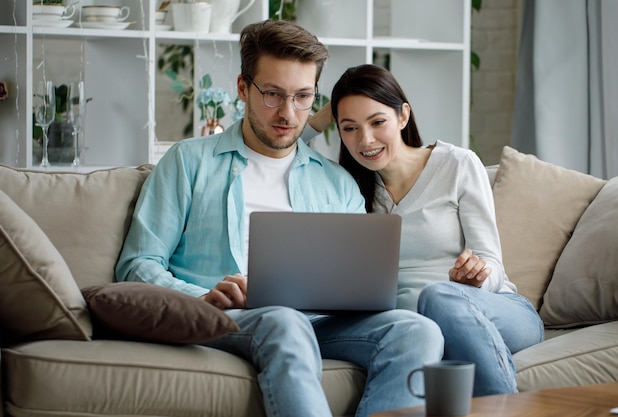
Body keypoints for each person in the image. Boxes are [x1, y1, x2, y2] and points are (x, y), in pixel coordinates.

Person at [116, 21, 444, 417]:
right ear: (243, 88)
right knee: (284, 321)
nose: (288, 114)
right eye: (272, 95)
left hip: (320, 322)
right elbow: (137, 265)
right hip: (226, 317)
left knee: (417, 331)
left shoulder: (336, 183)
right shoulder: (188, 162)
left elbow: (358, 280)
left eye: (303, 96)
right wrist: (201, 299)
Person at [322, 64, 544, 397]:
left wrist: (477, 279)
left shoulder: (456, 164)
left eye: (377, 121)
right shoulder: (347, 189)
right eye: (349, 127)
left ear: (403, 116)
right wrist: (321, 116)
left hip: (492, 309)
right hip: (413, 326)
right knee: (420, 322)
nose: (364, 140)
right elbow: (284, 147)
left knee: (438, 296)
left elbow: (492, 263)